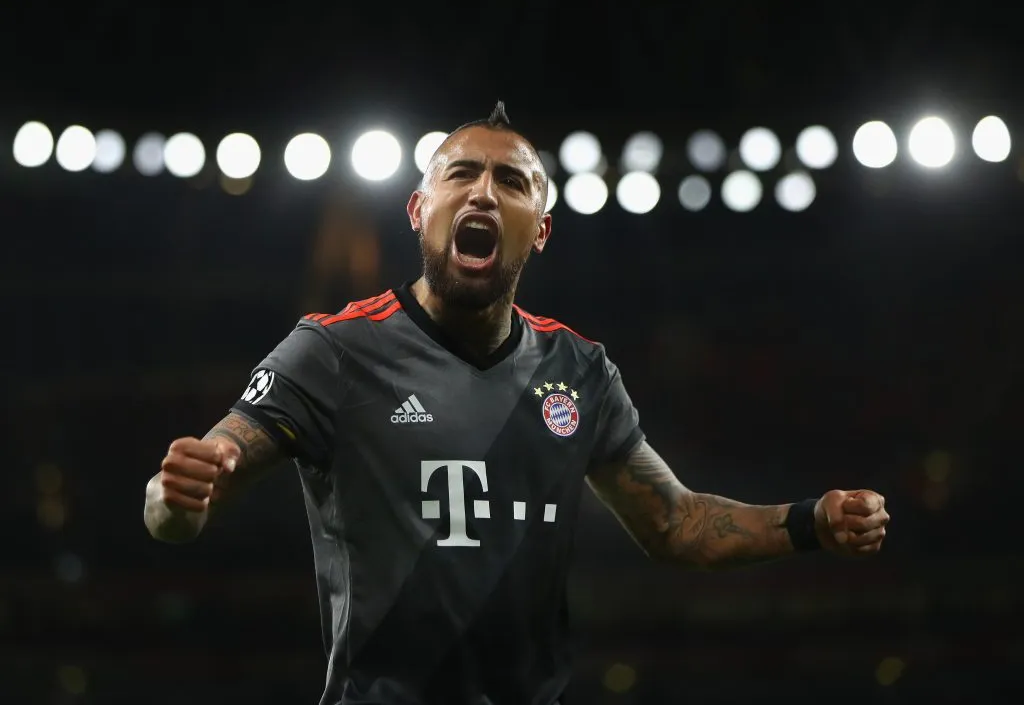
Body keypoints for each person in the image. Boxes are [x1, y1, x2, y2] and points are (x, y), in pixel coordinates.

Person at [143, 101, 890, 705]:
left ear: (540, 230)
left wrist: (810, 520)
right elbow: (190, 495)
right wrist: (175, 498)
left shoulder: (580, 369)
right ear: (417, 209)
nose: (482, 192)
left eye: (512, 181)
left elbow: (675, 523)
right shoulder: (334, 350)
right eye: (461, 173)